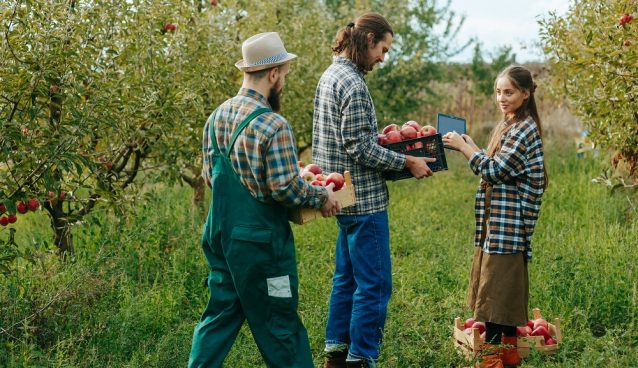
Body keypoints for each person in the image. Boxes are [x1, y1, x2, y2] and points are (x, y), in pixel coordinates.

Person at [188, 31, 341, 368]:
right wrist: (322, 196)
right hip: (261, 248)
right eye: (284, 74)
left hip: (221, 238)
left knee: (220, 315)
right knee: (280, 322)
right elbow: (286, 189)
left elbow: (209, 177)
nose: (283, 81)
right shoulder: (274, 125)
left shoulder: (216, 118)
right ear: (273, 73)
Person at [312, 13, 437, 368]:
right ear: (368, 40)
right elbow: (359, 147)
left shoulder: (330, 74)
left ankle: (336, 353)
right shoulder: (352, 83)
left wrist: (380, 140)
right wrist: (406, 162)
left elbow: (349, 140)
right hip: (364, 200)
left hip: (342, 195)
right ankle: (361, 358)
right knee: (375, 285)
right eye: (383, 48)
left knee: (347, 279)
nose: (384, 57)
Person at [442, 65, 548, 368]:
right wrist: (471, 144)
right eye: (498, 92)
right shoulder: (512, 124)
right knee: (500, 292)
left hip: (508, 227)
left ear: (525, 94)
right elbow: (493, 161)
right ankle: (509, 355)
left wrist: (465, 149)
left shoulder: (524, 129)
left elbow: (495, 170)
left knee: (496, 300)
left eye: (509, 92)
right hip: (498, 226)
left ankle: (490, 361)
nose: (502, 97)